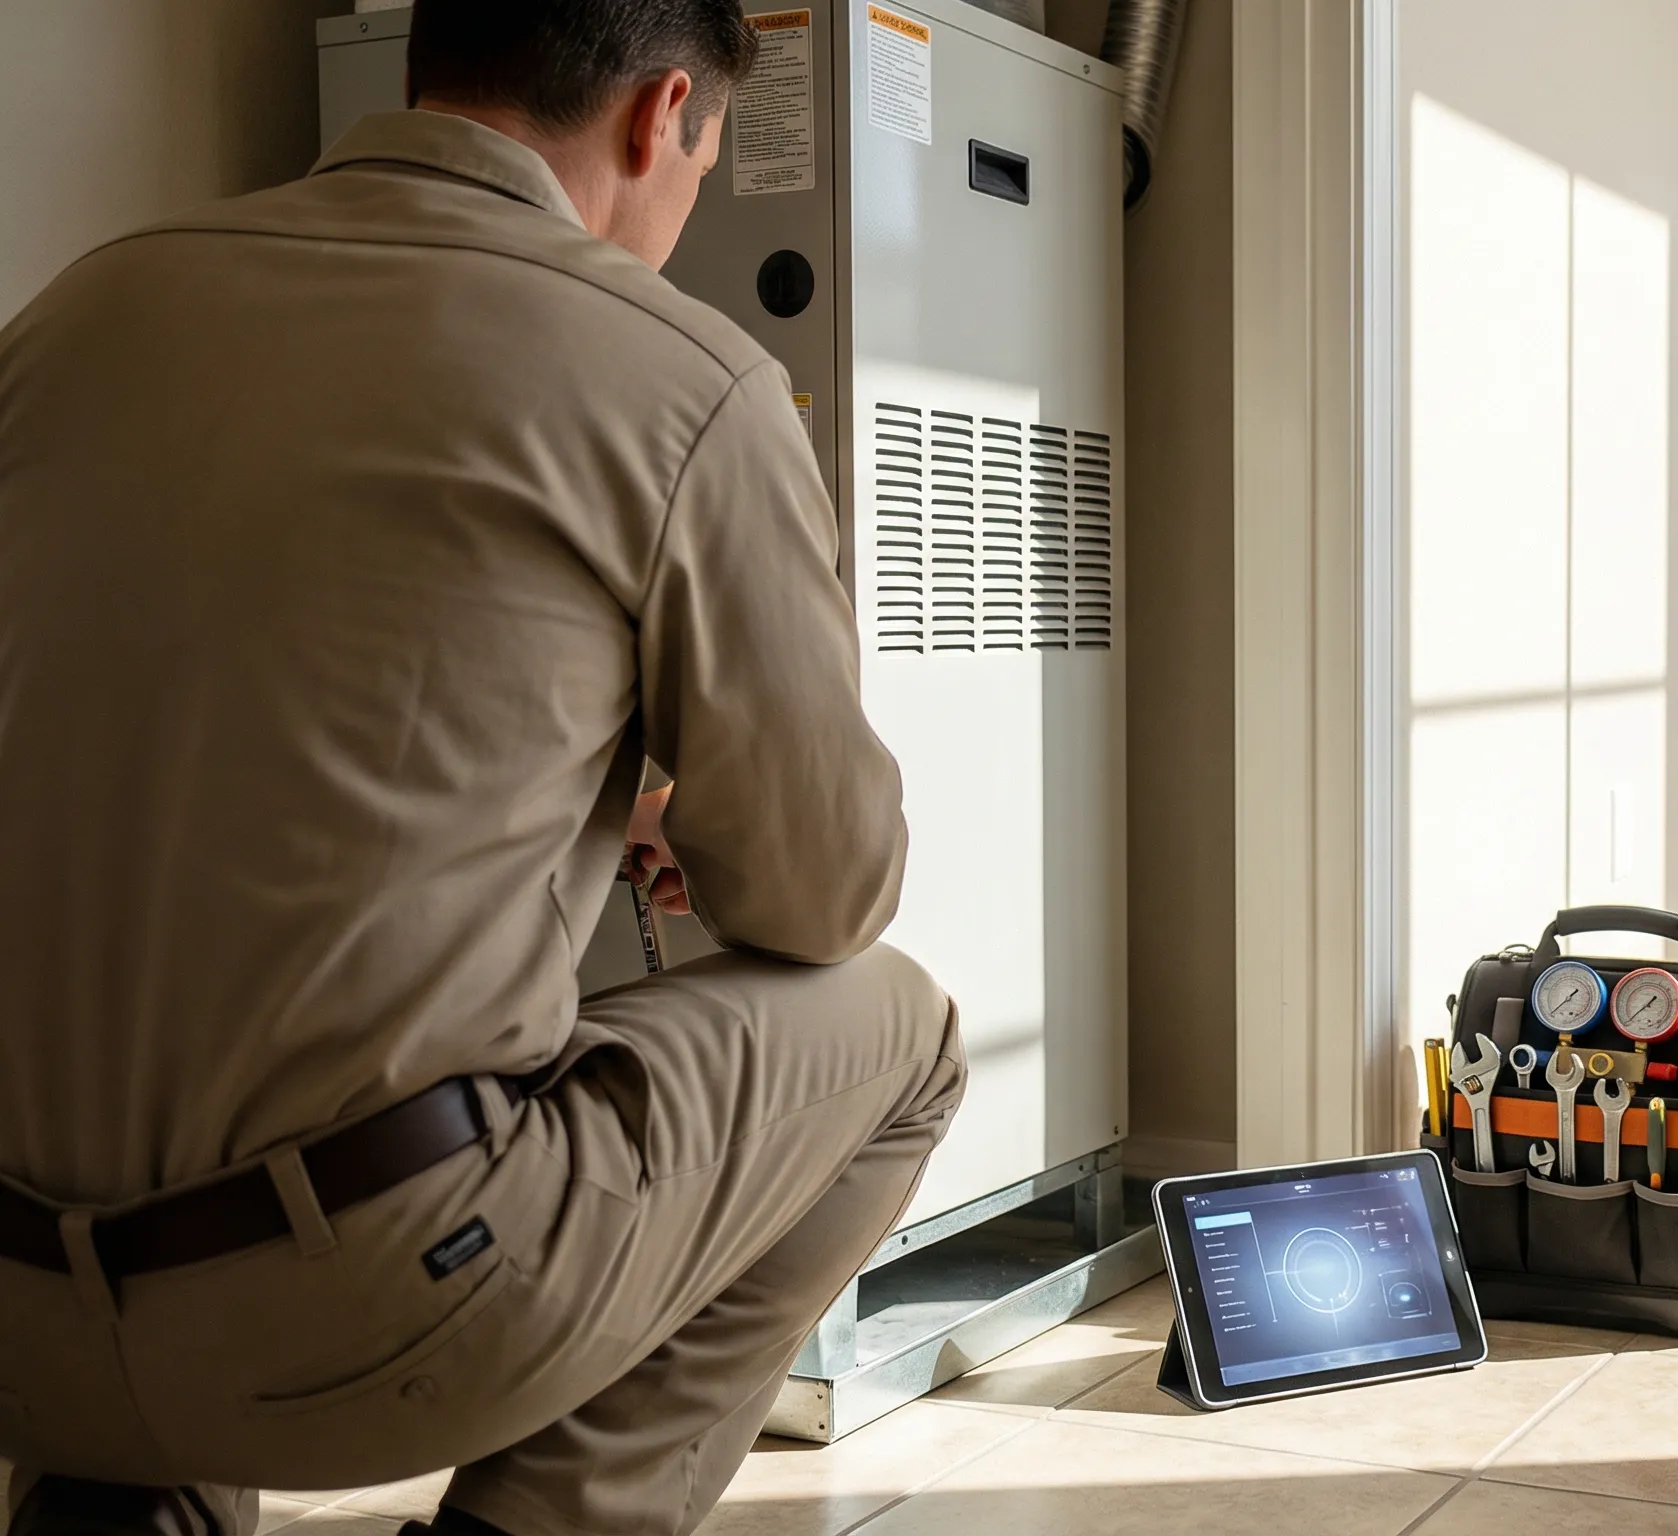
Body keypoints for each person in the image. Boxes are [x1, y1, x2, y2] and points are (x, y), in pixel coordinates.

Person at [0, 2, 966, 1533]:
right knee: (903, 1032)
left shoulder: (77, 312)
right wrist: (687, 822)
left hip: (20, 1325)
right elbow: (824, 891)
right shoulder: (685, 376)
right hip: (372, 1318)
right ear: (665, 118)